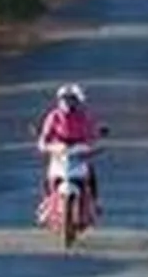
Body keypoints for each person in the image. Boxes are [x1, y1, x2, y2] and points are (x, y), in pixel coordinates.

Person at [36, 83, 102, 213]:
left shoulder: (84, 116)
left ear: (77, 101)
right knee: (50, 175)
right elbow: (45, 135)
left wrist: (92, 144)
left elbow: (92, 133)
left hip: (79, 148)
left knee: (90, 173)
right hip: (59, 149)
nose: (68, 103)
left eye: (71, 99)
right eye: (65, 99)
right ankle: (46, 201)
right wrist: (44, 145)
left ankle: (95, 202)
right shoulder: (54, 116)